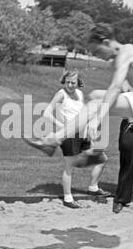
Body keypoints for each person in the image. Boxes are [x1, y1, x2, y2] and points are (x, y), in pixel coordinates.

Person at [24, 23, 133, 211]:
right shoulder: (118, 59)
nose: (97, 55)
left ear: (106, 41)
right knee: (93, 97)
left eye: (96, 50)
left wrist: (98, 118)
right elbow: (119, 89)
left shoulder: (127, 51)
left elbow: (115, 87)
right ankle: (58, 139)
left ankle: (55, 139)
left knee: (95, 104)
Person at [42, 70, 109, 209]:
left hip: (83, 133)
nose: (70, 85)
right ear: (64, 81)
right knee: (69, 166)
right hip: (68, 136)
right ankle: (68, 198)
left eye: (73, 82)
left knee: (102, 159)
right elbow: (46, 114)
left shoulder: (80, 94)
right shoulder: (61, 94)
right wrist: (63, 127)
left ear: (78, 83)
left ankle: (93, 187)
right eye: (68, 82)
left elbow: (83, 113)